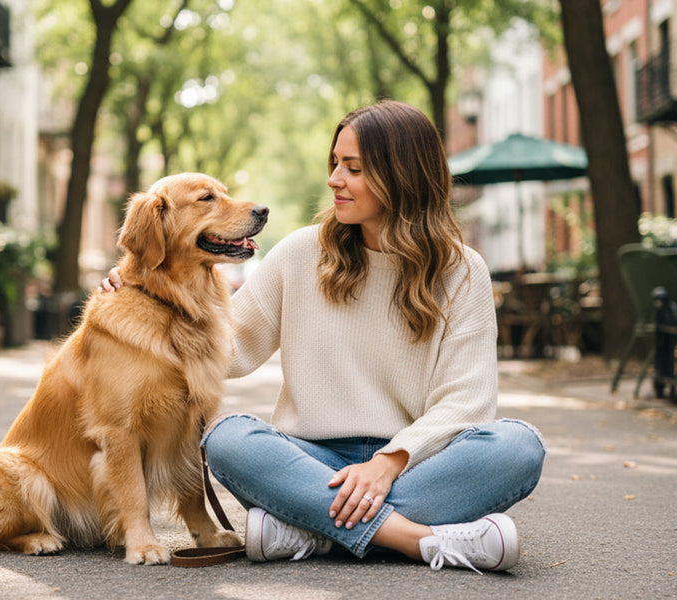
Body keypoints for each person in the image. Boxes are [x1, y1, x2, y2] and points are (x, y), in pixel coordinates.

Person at [103, 99, 546, 572]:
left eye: (353, 168)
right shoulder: (299, 253)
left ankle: (311, 530)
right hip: (310, 460)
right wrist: (144, 292)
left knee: (519, 447)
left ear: (402, 175)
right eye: (335, 163)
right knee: (229, 438)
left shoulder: (463, 271)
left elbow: (467, 401)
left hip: (416, 461)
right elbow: (225, 352)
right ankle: (420, 541)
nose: (334, 179)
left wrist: (388, 463)